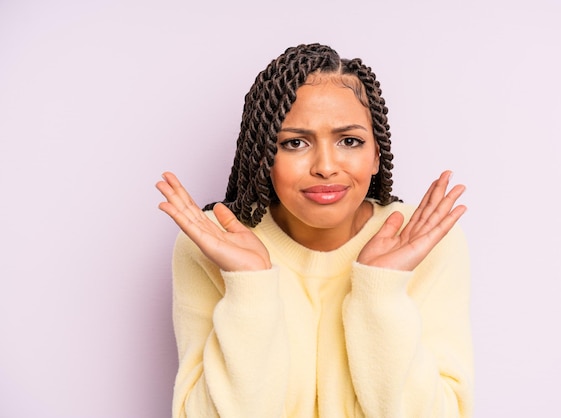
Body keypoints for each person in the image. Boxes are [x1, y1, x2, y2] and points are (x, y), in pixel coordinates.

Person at [156, 43, 473, 418]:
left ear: (376, 154)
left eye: (349, 141)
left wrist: (381, 292)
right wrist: (249, 287)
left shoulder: (422, 240)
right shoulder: (213, 243)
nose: (325, 166)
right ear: (264, 157)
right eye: (295, 143)